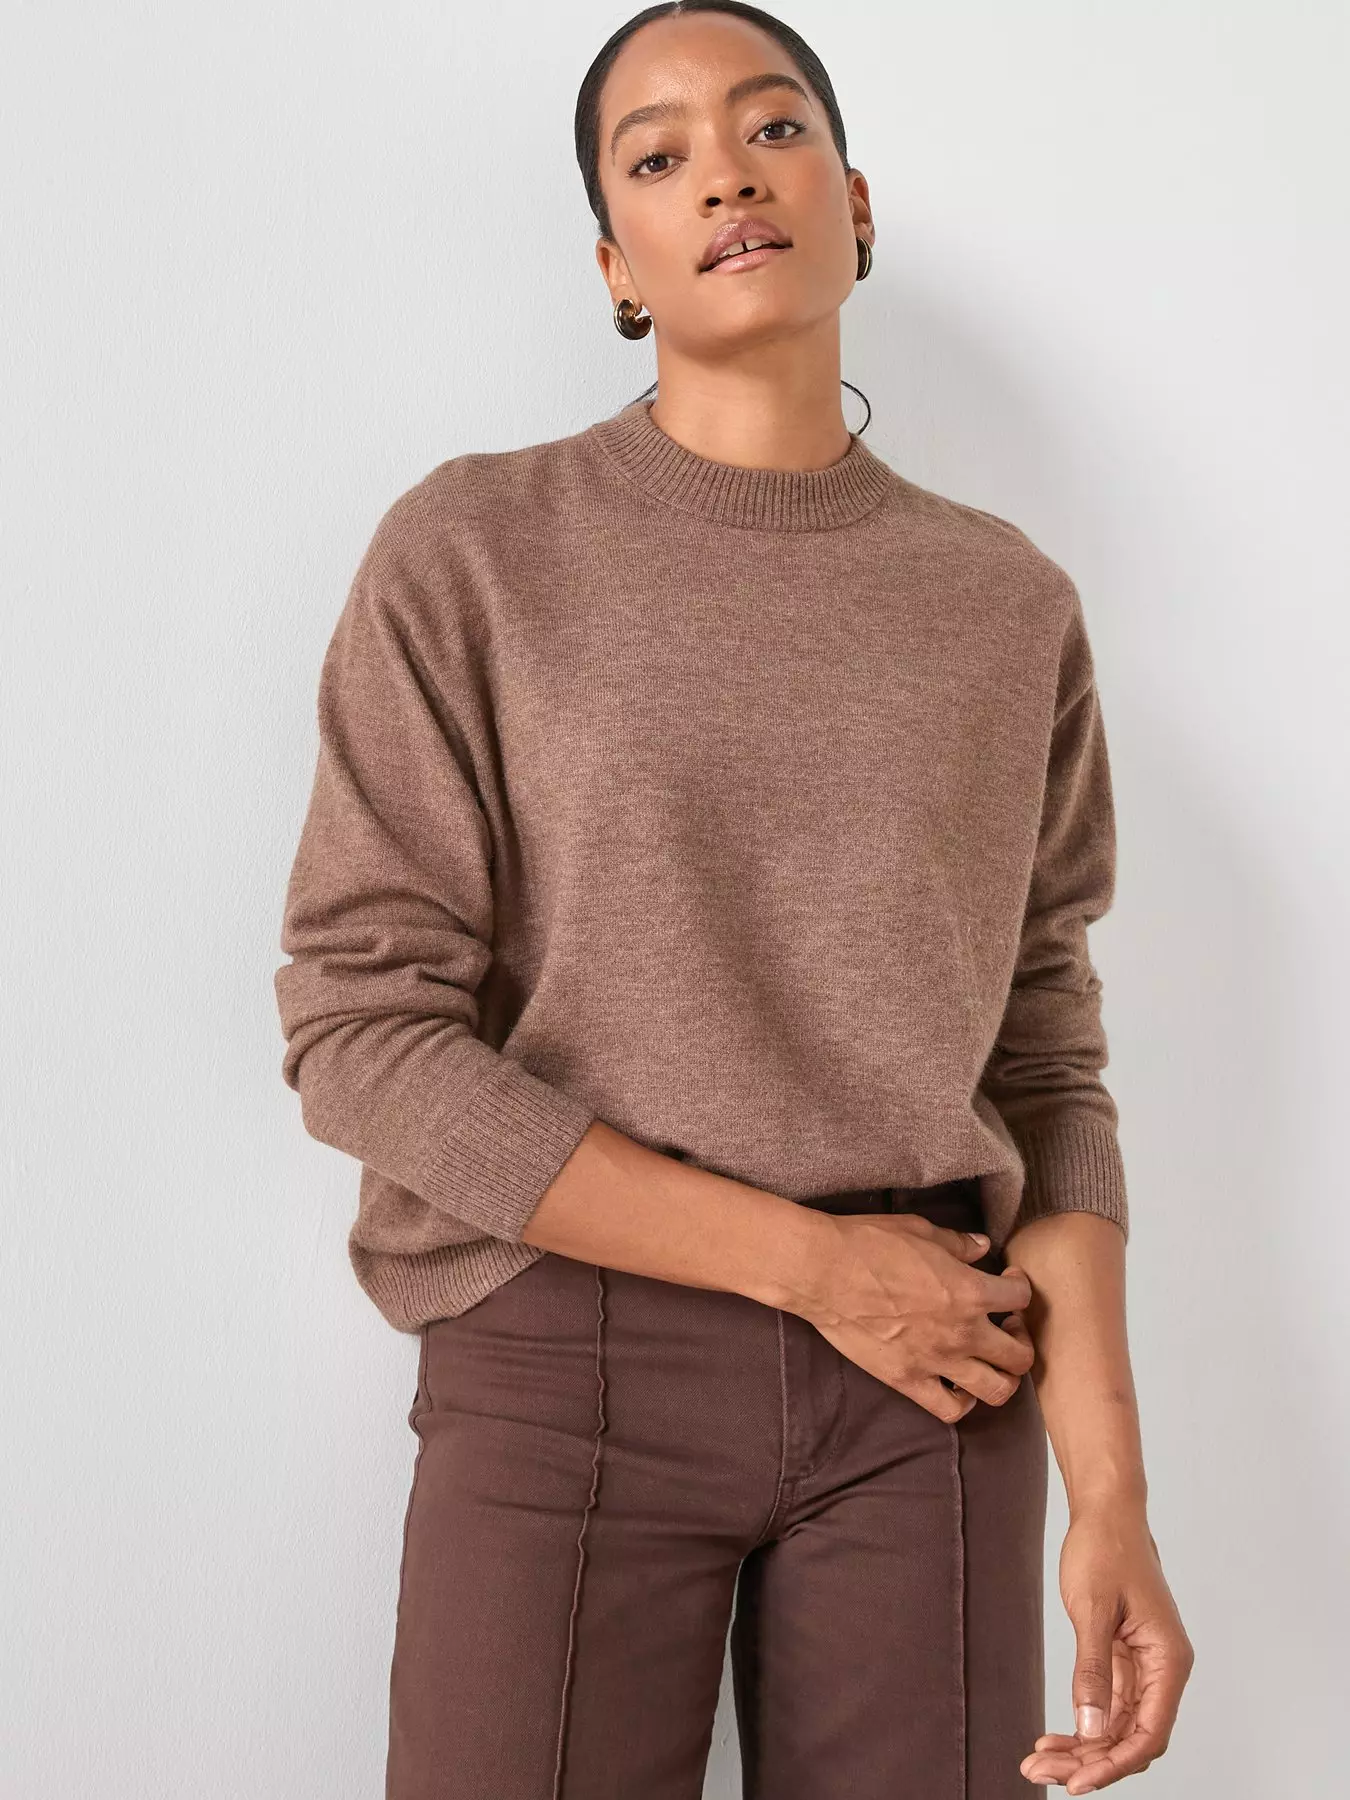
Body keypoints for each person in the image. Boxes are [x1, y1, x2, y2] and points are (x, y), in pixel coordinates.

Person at [272, 3, 1193, 1795]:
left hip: (934, 1378)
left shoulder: (1001, 603)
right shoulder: (475, 550)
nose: (725, 176)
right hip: (570, 1345)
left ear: (855, 202)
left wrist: (1112, 1497)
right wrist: (810, 1269)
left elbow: (1041, 1060)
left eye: (773, 129)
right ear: (615, 264)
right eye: (658, 154)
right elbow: (360, 1032)